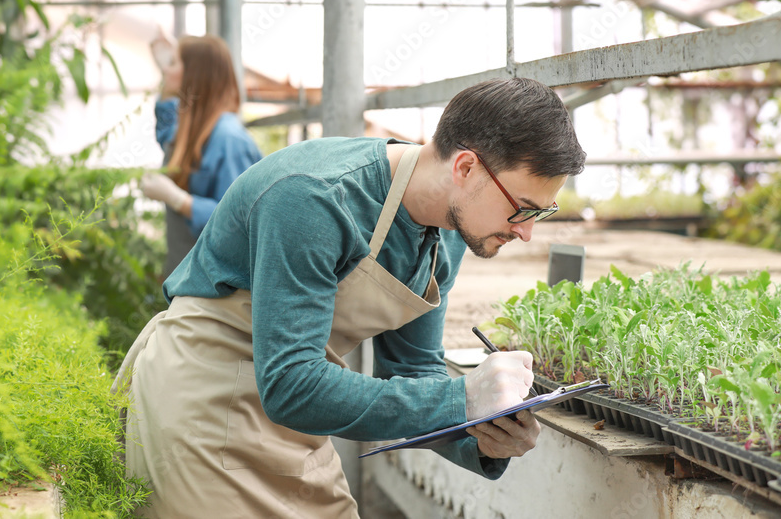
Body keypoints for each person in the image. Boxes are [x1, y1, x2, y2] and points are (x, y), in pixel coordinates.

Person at [114, 77, 587, 517]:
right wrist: (462, 398)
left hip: (293, 412)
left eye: (540, 214)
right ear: (466, 167)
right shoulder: (315, 198)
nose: (525, 233)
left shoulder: (452, 231)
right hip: (202, 399)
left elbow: (411, 371)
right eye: (522, 209)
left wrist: (482, 437)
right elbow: (292, 386)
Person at [139, 33, 263, 278]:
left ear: (193, 75)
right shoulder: (196, 126)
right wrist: (170, 81)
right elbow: (168, 135)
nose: (165, 70)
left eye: (173, 63)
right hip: (190, 276)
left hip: (217, 288)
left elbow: (239, 225)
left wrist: (179, 200)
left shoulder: (229, 141)